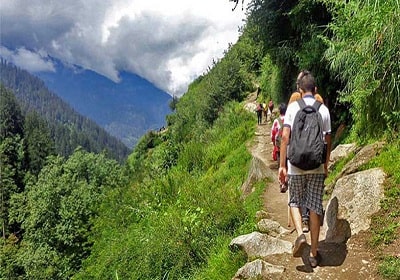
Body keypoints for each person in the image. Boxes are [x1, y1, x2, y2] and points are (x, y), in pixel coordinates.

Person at [278, 70, 331, 268]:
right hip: (317, 166)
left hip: (295, 165)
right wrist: (326, 164)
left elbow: (285, 137)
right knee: (315, 207)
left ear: (300, 90)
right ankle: (314, 254)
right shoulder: (323, 109)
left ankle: (300, 235)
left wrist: (282, 165)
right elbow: (327, 139)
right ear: (315, 89)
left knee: (294, 201)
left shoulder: (292, 108)